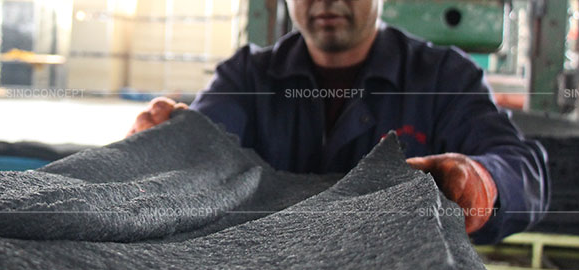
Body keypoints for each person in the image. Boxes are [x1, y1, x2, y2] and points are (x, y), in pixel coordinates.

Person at [127, 0, 549, 244]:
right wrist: (166, 144)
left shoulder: (443, 78)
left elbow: (523, 171)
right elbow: (202, 145)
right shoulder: (247, 78)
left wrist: (481, 180)